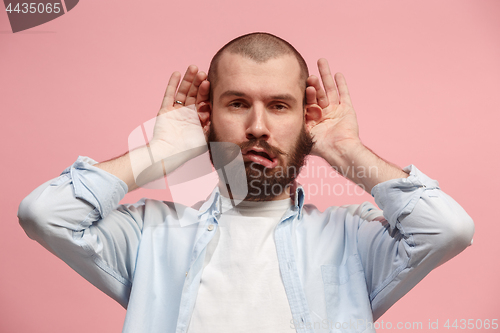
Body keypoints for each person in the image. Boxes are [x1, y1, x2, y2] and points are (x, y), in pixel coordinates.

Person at [18, 32, 474, 333]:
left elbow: (447, 229)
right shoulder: (150, 236)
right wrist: (156, 154)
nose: (258, 126)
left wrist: (345, 151)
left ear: (306, 119)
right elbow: (46, 214)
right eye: (237, 104)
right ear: (208, 116)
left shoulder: (352, 239)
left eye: (279, 106)